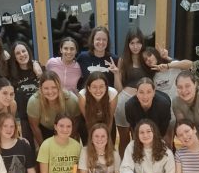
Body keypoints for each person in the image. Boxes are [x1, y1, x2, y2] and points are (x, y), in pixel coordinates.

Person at [109, 28, 150, 157]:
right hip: (124, 101)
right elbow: (118, 89)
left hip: (142, 102)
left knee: (139, 137)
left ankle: (138, 164)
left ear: (142, 43)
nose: (135, 46)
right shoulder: (123, 60)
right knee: (124, 138)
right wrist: (116, 74)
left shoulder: (147, 59)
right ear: (128, 44)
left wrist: (166, 58)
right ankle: (123, 165)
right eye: (132, 43)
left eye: (138, 42)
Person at [142, 46, 193, 129]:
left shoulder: (173, 66)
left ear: (155, 54)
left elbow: (190, 64)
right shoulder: (150, 76)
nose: (148, 59)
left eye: (150, 55)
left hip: (183, 107)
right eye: (145, 59)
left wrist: (168, 63)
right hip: (167, 112)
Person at [27, 70, 80, 146]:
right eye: (46, 88)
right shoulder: (34, 102)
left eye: (54, 87)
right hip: (45, 130)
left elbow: (76, 123)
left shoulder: (71, 99)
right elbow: (34, 127)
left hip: (67, 129)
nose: (50, 92)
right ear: (41, 89)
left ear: (59, 87)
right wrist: (43, 147)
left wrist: (67, 144)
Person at [9, 41, 42, 148]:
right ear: (14, 57)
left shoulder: (38, 69)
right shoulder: (11, 73)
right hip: (23, 117)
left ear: (28, 52)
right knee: (28, 147)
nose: (22, 54)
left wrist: (35, 63)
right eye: (18, 53)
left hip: (41, 115)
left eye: (24, 51)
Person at [78, 71, 118, 142]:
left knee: (108, 144)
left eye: (101, 86)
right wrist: (94, 137)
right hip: (88, 121)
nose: (98, 90)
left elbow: (110, 118)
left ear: (106, 87)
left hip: (106, 120)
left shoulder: (112, 93)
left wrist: (107, 137)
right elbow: (87, 119)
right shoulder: (82, 95)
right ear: (89, 88)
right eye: (94, 87)